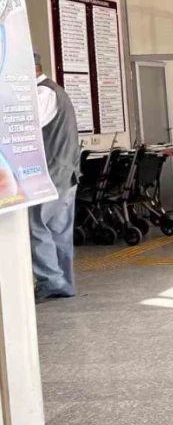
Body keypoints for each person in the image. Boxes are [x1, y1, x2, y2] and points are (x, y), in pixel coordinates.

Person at [30, 53, 81, 302]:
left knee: (36, 226)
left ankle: (50, 281)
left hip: (52, 174)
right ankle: (63, 283)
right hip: (64, 173)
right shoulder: (54, 91)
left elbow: (30, 125)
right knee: (58, 230)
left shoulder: (43, 93)